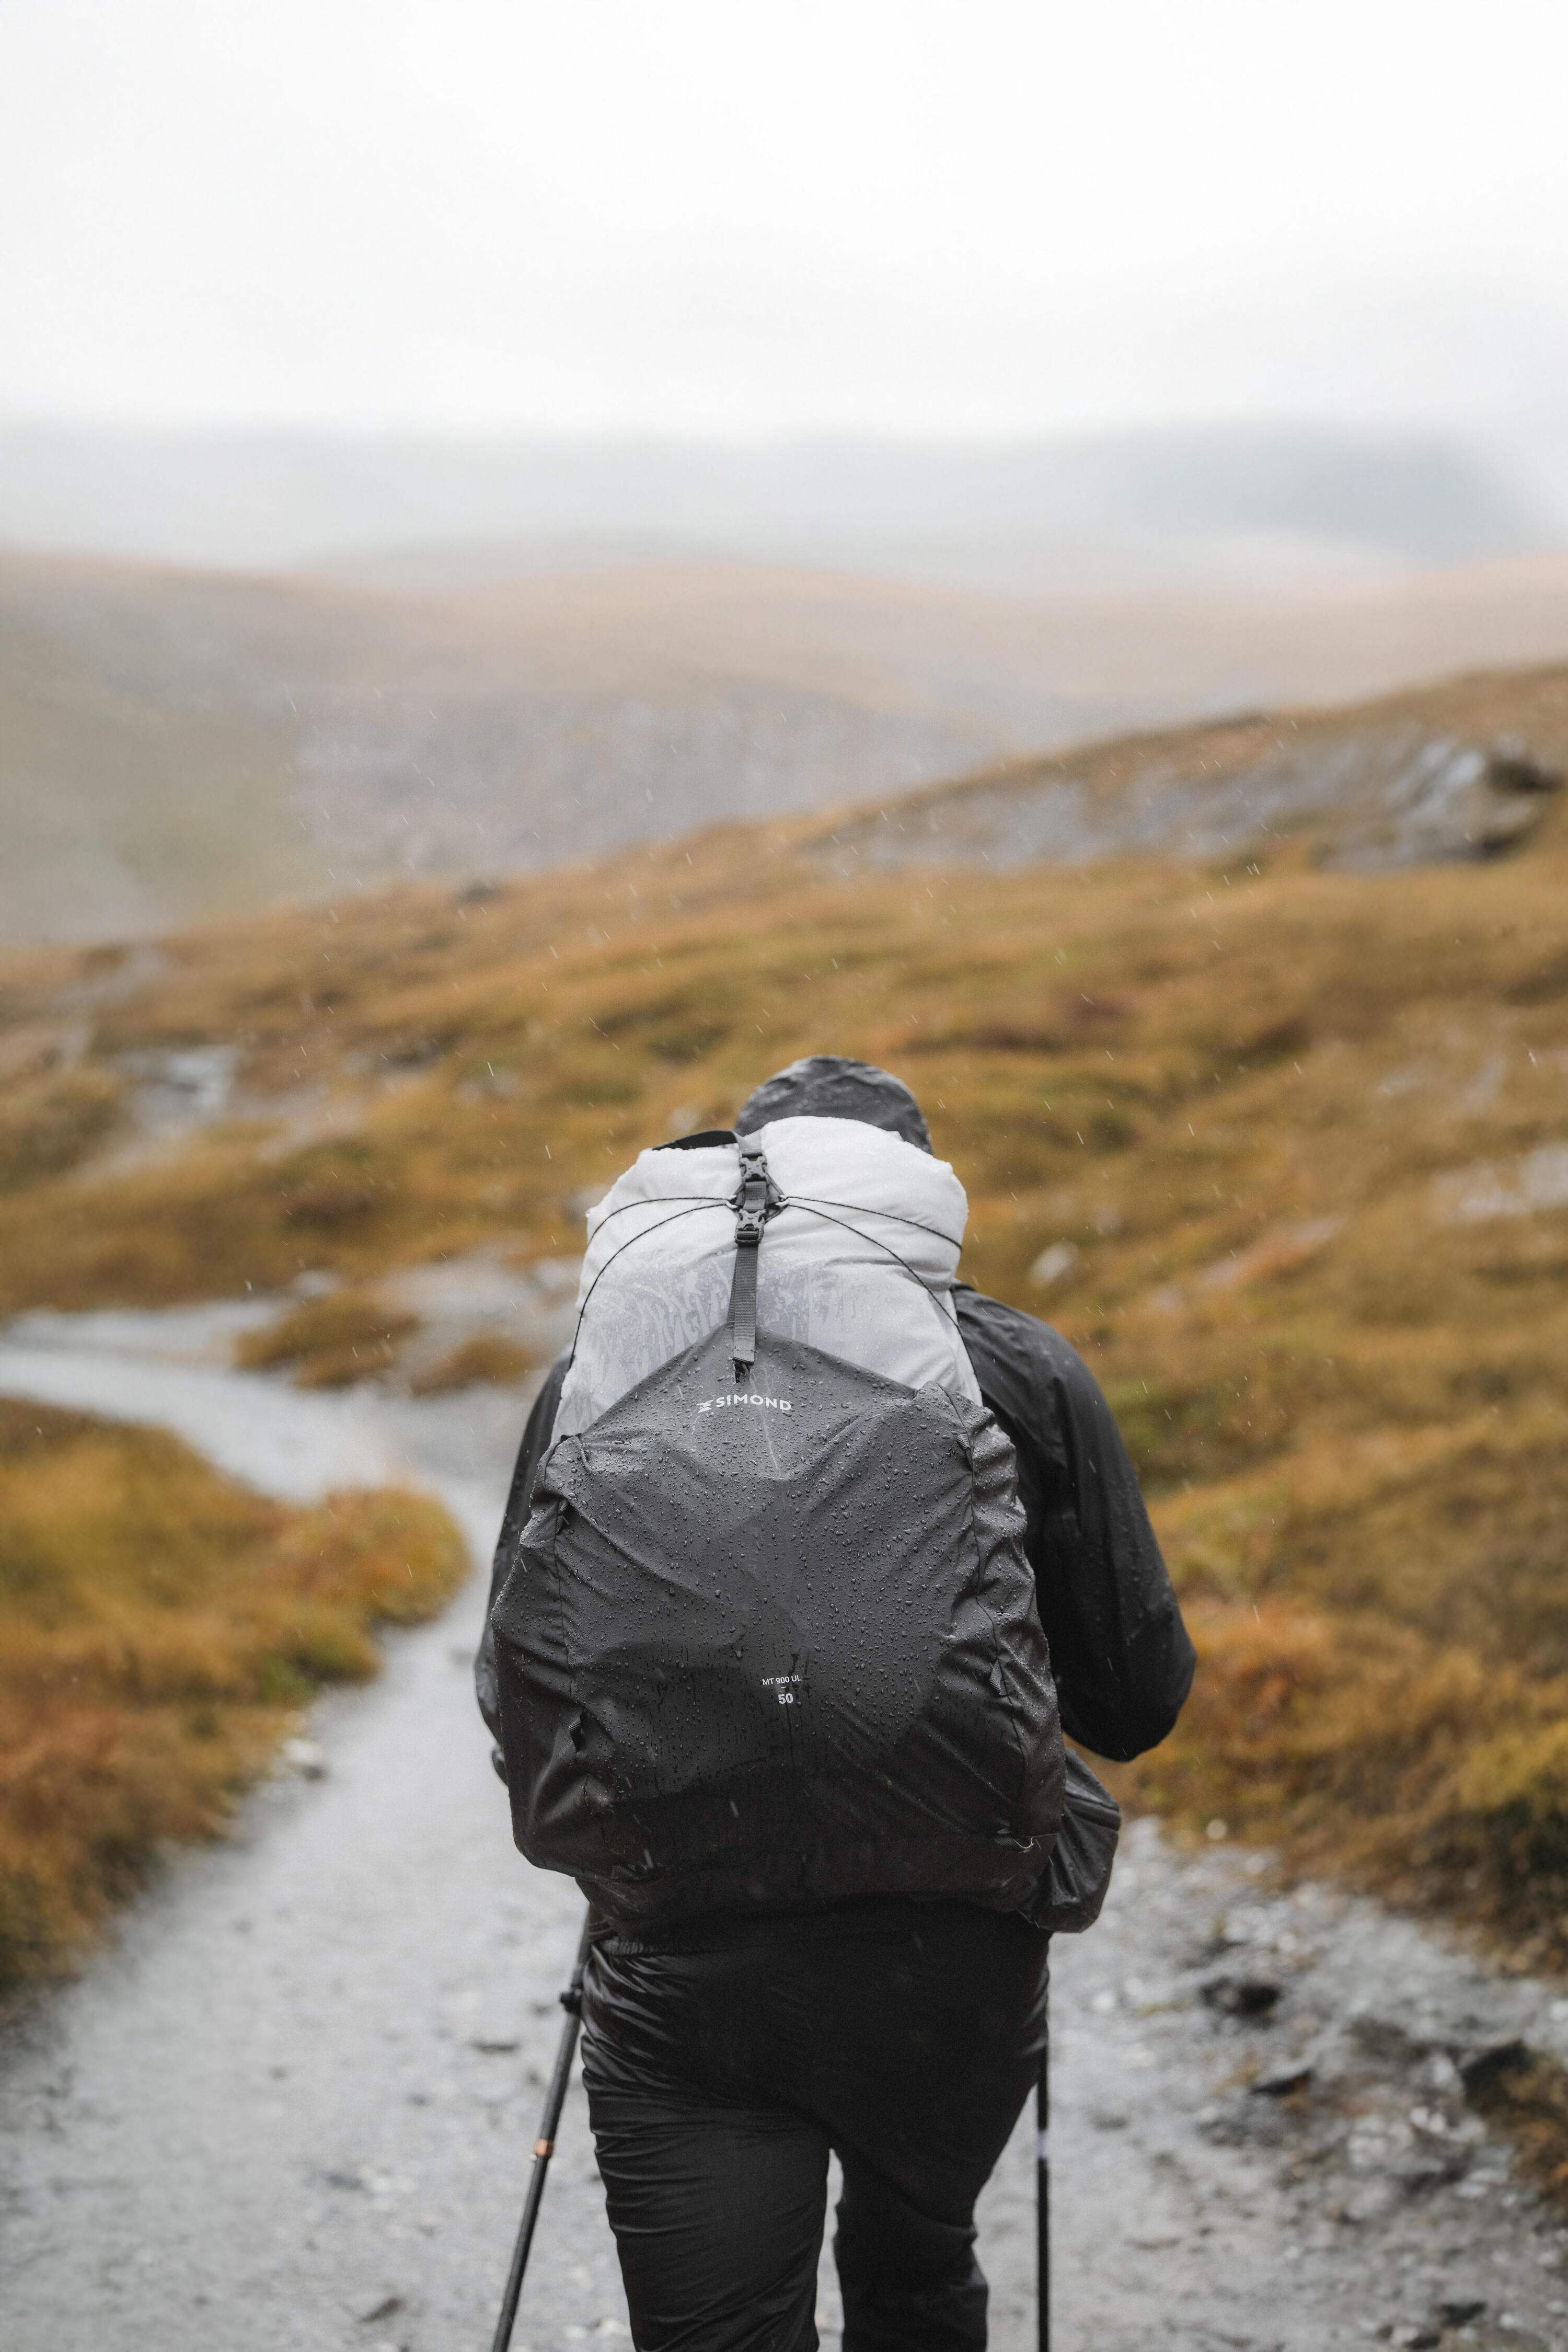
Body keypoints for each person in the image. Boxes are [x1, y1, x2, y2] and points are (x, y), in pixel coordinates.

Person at [476, 1056, 1194, 2352]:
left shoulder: (609, 1366)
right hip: (949, 1959)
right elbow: (1137, 1702)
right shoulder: (1016, 1367)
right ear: (911, 1196)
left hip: (685, 1963)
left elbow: (519, 1676)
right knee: (917, 2276)